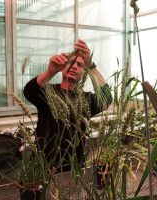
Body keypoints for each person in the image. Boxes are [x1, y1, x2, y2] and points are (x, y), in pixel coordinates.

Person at [23, 39, 112, 173]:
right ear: (63, 66)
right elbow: (29, 91)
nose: (74, 66)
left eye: (80, 65)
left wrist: (91, 66)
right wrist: (50, 71)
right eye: (70, 62)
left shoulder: (86, 99)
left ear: (84, 71)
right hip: (43, 166)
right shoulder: (48, 92)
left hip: (74, 167)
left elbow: (106, 98)